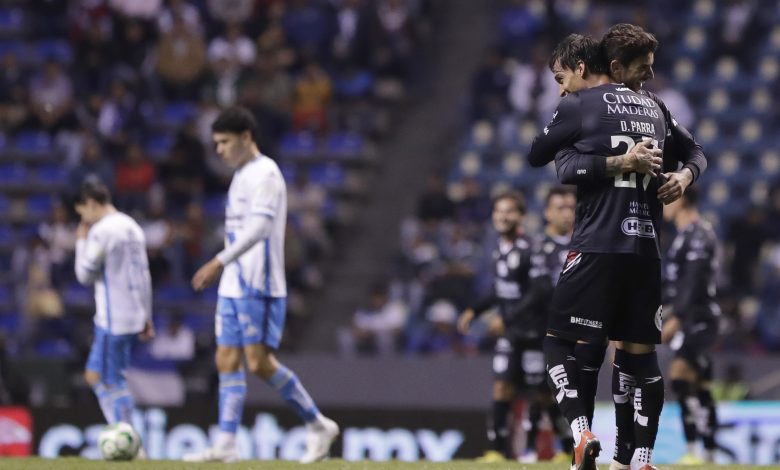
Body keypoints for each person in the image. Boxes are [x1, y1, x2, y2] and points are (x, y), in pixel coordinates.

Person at [529, 31, 673, 470]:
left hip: (596, 245)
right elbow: (695, 152)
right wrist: (685, 176)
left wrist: (606, 160)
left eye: (561, 77)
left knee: (562, 344)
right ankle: (637, 459)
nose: (559, 88)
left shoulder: (580, 106)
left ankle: (581, 433)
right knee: (637, 355)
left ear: (579, 67)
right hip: (646, 249)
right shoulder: (654, 106)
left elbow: (542, 155)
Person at [183, 107, 338, 463]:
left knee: (259, 363)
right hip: (234, 285)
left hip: (259, 283)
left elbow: (259, 229)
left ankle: (318, 424)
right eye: (216, 143)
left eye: (224, 142)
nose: (219, 150)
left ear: (246, 138)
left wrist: (217, 261)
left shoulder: (266, 174)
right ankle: (225, 444)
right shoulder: (240, 175)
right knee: (226, 358)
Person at [457, 191, 553, 462]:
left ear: (521, 216)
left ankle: (533, 450)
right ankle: (497, 451)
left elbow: (541, 290)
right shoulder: (500, 248)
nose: (503, 216)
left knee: (540, 394)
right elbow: (501, 289)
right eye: (499, 211)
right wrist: (474, 310)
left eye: (509, 211)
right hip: (512, 334)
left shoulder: (531, 248)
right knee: (502, 387)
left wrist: (507, 318)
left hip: (535, 333)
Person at [74, 181, 153, 451]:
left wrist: (81, 241)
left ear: (92, 204)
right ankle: (123, 433)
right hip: (133, 314)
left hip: (114, 318)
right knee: (94, 375)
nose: (83, 220)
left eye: (82, 213)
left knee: (112, 380)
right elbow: (144, 276)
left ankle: (130, 442)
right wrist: (147, 314)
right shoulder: (132, 227)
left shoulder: (101, 231)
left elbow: (84, 275)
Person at [661, 187, 721, 464]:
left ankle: (695, 448)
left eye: (667, 198)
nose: (663, 205)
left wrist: (677, 319)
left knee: (679, 375)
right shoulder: (682, 237)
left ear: (681, 198)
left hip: (699, 319)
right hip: (692, 317)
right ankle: (707, 450)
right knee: (699, 385)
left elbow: (694, 283)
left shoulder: (698, 234)